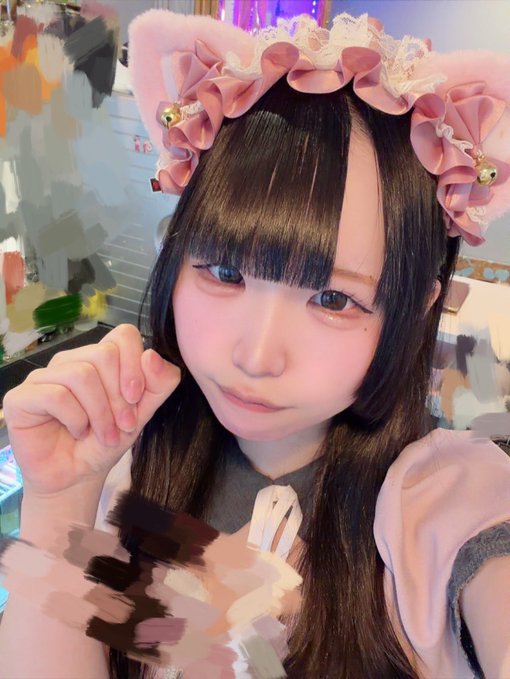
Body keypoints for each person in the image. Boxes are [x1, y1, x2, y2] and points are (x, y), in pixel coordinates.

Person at [1, 9, 510, 679]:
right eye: (224, 271)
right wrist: (57, 502)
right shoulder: (129, 470)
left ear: (416, 310)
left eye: (334, 299)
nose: (256, 356)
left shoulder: (446, 501)